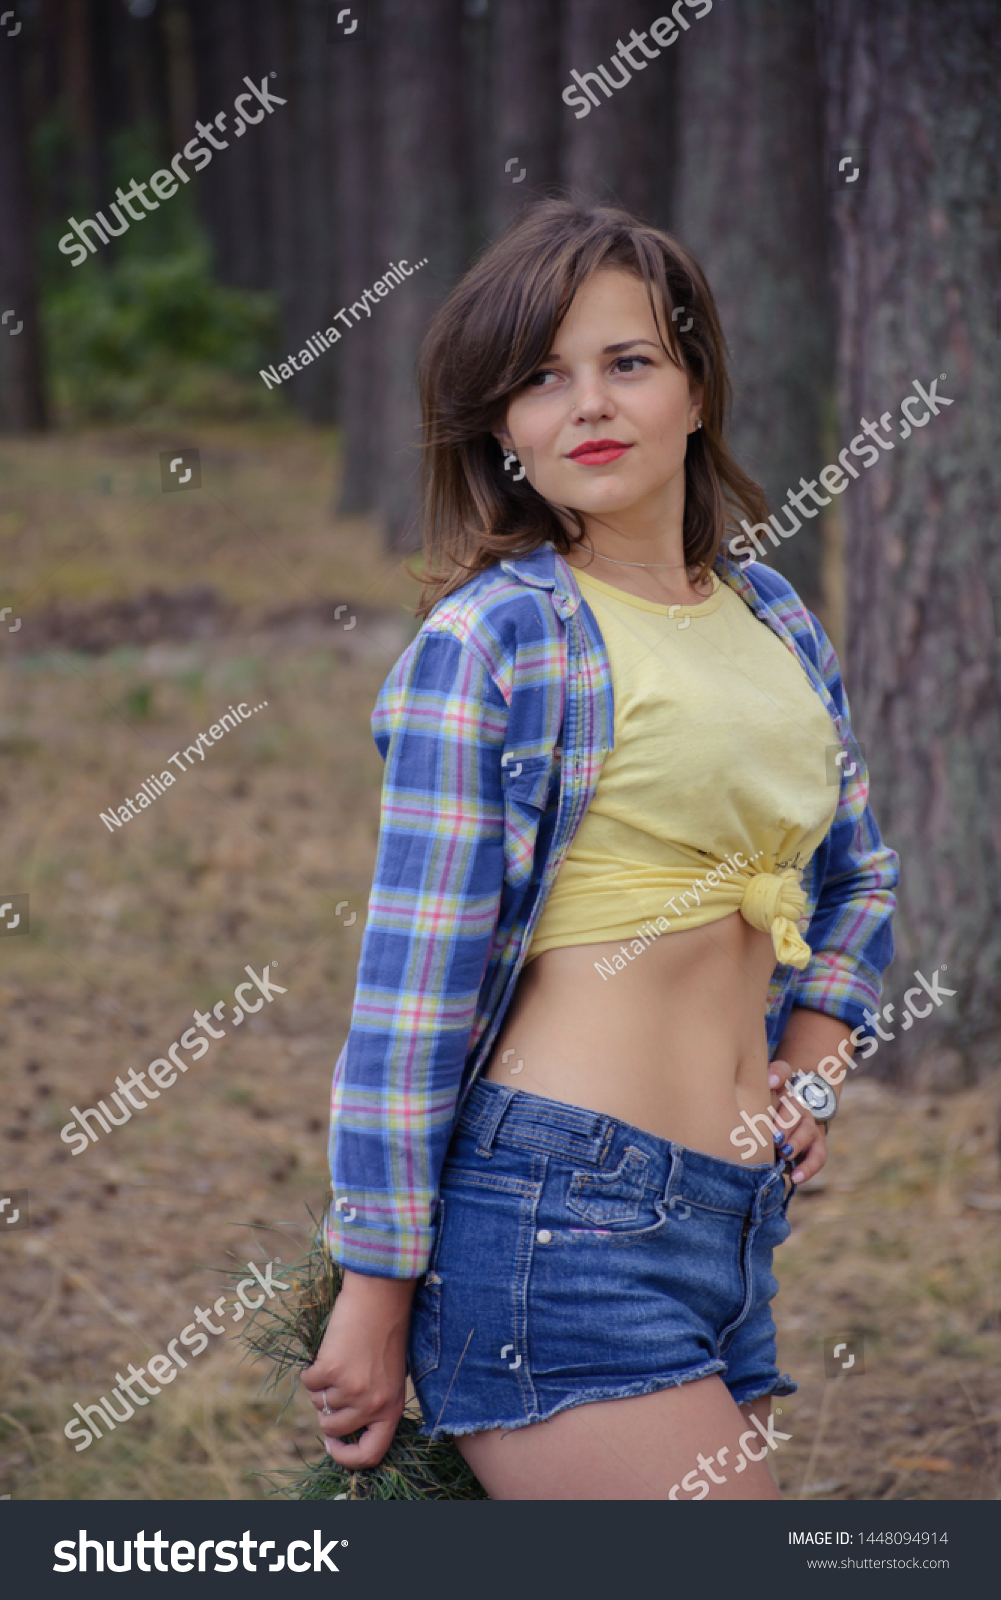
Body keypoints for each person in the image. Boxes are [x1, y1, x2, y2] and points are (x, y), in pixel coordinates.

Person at [302, 199, 898, 1500]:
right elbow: (411, 993)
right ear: (502, 430)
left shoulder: (773, 618)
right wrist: (374, 1281)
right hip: (554, 1222)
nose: (587, 405)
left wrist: (812, 1055)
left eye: (626, 362)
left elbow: (854, 879)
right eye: (538, 378)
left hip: (731, 1225)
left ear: (694, 385)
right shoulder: (492, 644)